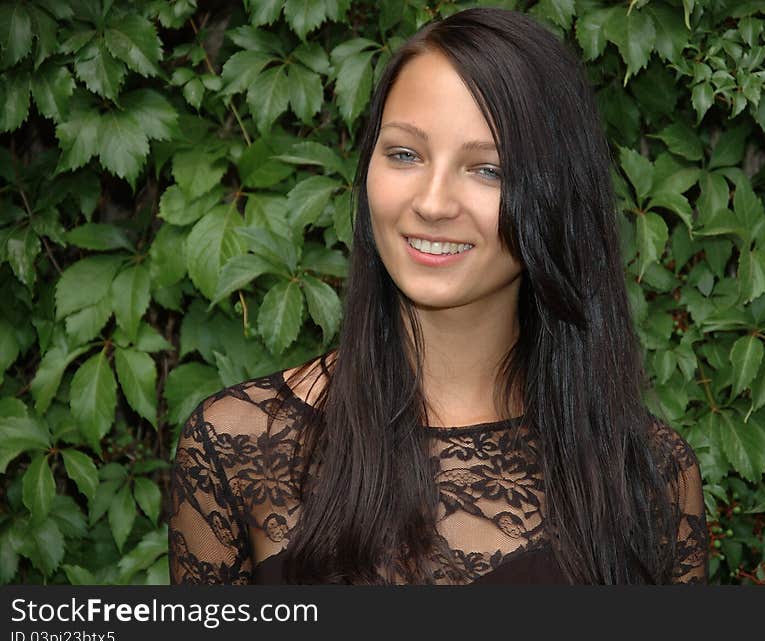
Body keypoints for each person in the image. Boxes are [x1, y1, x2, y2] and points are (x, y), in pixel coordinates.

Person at [168, 7, 708, 585]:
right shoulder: (239, 445)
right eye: (404, 154)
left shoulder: (648, 473)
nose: (432, 202)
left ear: (556, 196)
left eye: (488, 170)